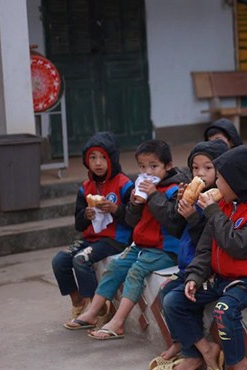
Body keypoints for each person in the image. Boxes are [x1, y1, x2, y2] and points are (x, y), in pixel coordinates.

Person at [158, 146, 247, 370]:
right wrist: (195, 276)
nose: (217, 183)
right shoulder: (223, 205)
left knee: (224, 310)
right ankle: (204, 350)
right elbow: (205, 247)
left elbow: (237, 245)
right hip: (220, 278)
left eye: (221, 178)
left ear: (237, 180)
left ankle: (240, 365)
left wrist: (212, 211)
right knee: (174, 300)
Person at [66, 139, 187, 340]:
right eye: (142, 167)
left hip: (166, 248)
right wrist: (135, 205)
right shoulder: (141, 187)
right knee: (116, 266)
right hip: (142, 245)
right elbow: (131, 221)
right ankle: (93, 312)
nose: (147, 172)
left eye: (153, 166)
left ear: (168, 166)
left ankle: (118, 322)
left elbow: (173, 223)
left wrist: (153, 196)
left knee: (136, 271)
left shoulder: (175, 190)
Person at [147, 139, 229, 370]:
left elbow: (210, 239)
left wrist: (193, 217)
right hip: (189, 265)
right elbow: (176, 229)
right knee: (165, 292)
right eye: (195, 168)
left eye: (208, 167)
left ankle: (200, 351)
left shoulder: (221, 201)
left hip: (208, 270)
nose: (200, 173)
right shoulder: (196, 194)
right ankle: (183, 343)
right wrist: (180, 206)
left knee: (174, 301)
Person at [56, 132, 133, 328]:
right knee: (59, 260)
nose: (98, 163)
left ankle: (97, 310)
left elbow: (135, 218)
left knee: (80, 260)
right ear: (86, 161)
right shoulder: (86, 188)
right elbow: (78, 224)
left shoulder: (124, 184)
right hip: (91, 238)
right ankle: (78, 301)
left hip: (116, 239)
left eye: (103, 158)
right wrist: (85, 215)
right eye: (92, 157)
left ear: (111, 159)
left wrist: (116, 209)